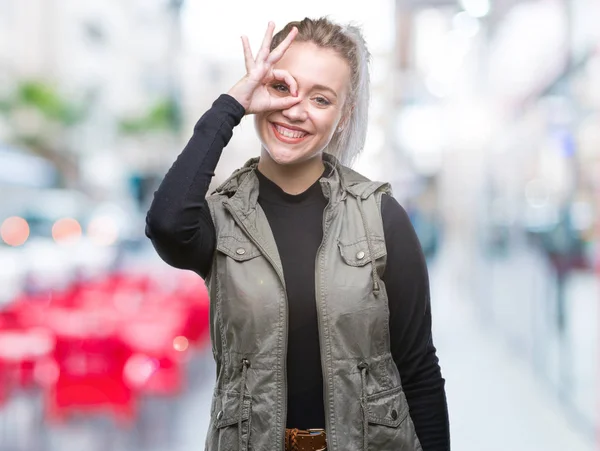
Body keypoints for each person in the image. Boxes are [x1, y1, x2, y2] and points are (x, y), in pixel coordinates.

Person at [145, 17, 450, 451]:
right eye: (283, 87)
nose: (295, 109)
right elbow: (166, 223)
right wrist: (232, 102)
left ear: (343, 116)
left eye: (320, 98)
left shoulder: (381, 216)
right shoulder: (222, 216)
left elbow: (419, 369)